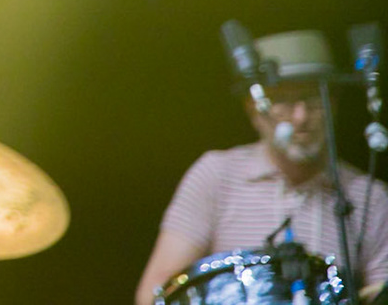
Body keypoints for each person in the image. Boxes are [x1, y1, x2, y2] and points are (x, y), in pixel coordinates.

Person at [135, 30, 388, 305]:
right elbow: (155, 293)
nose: (301, 117)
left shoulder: (370, 197)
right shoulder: (216, 175)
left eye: (313, 99)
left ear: (333, 105)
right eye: (284, 100)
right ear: (253, 110)